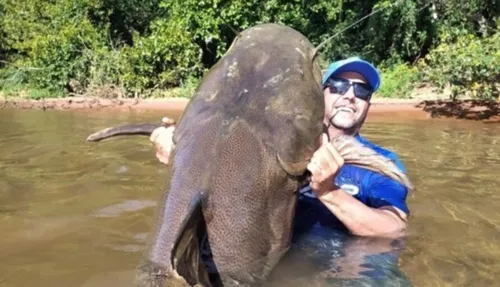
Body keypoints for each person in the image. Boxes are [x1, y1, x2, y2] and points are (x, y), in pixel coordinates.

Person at [149, 57, 412, 285]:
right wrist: (183, 151)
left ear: (369, 104)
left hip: (346, 266)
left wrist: (330, 192)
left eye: (362, 90)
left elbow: (393, 231)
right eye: (339, 86)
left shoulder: (382, 161)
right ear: (319, 96)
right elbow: (217, 189)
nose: (350, 95)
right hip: (263, 263)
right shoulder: (266, 144)